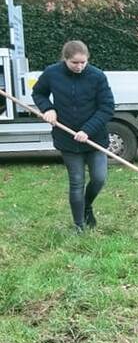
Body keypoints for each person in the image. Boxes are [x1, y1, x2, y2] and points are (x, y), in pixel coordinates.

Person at [32, 40, 114, 232]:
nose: (79, 67)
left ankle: (87, 206)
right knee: (76, 182)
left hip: (94, 138)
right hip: (67, 138)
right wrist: (48, 109)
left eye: (83, 62)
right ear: (65, 59)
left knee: (99, 178)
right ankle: (79, 226)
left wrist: (88, 130)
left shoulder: (97, 76)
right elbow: (38, 93)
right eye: (74, 63)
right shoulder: (52, 73)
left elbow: (107, 107)